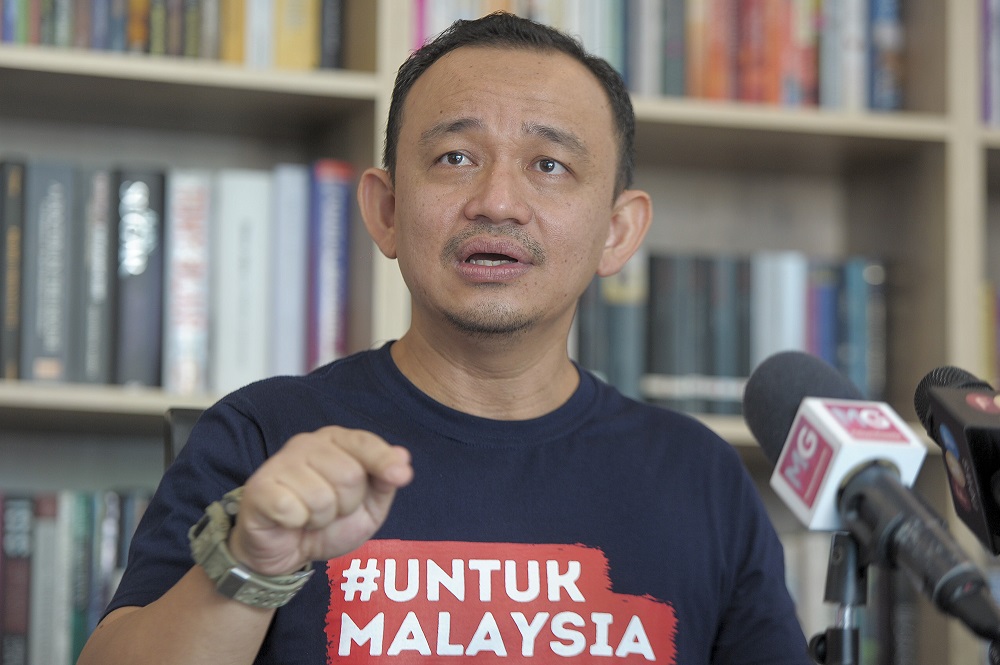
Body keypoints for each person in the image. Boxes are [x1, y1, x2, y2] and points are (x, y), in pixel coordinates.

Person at [79, 12, 810, 665]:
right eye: (455, 157)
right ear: (387, 209)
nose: (497, 201)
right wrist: (252, 560)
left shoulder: (699, 478)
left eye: (549, 165)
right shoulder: (264, 435)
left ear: (617, 232)